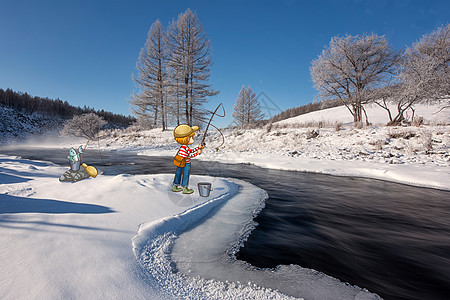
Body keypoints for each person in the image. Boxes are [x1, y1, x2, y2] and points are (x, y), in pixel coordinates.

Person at [172, 124, 205, 194]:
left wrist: (198, 148)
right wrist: (197, 153)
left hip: (183, 163)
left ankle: (176, 186)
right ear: (185, 139)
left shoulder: (185, 147)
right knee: (185, 174)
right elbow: (189, 156)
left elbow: (190, 151)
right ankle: (184, 188)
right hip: (185, 163)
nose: (192, 139)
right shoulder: (183, 149)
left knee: (179, 173)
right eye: (191, 137)